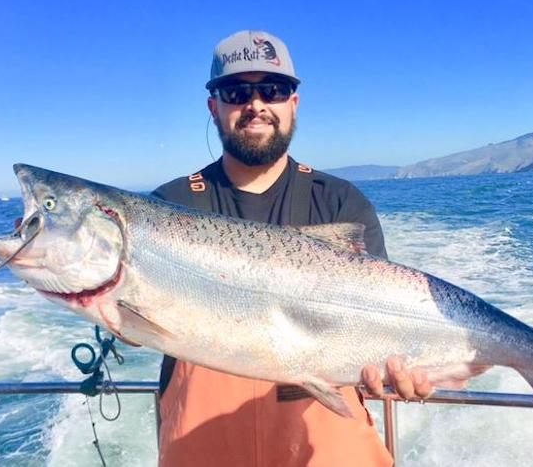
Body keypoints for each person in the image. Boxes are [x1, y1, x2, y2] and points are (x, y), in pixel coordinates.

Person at [153, 30, 432, 467]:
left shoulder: (341, 202)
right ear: (214, 106)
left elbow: (382, 323)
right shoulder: (170, 206)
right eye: (236, 91)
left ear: (294, 103)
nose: (256, 104)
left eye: (274, 89)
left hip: (328, 446)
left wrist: (404, 366)